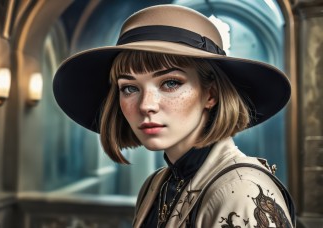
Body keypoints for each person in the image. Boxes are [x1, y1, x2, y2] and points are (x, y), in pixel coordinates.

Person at [53, 4, 295, 228]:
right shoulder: (155, 184)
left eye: (170, 83)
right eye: (129, 87)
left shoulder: (242, 190)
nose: (146, 105)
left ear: (210, 94)